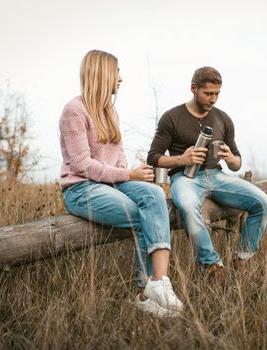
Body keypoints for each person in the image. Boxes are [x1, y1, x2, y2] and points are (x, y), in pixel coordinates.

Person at [59, 50, 183, 318]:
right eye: (117, 72)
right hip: (81, 189)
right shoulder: (74, 111)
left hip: (111, 183)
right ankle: (144, 291)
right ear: (103, 74)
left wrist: (133, 175)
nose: (121, 79)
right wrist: (129, 176)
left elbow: (119, 155)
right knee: (138, 214)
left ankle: (159, 283)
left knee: (153, 195)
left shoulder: (109, 110)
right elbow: (81, 165)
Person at [147, 66, 267, 279]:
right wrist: (182, 159)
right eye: (208, 93)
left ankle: (242, 260)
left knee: (264, 204)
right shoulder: (172, 117)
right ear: (193, 88)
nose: (213, 99)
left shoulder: (223, 118)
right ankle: (212, 266)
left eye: (217, 94)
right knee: (188, 206)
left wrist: (230, 157)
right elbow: (153, 157)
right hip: (184, 178)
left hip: (217, 176)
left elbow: (237, 163)